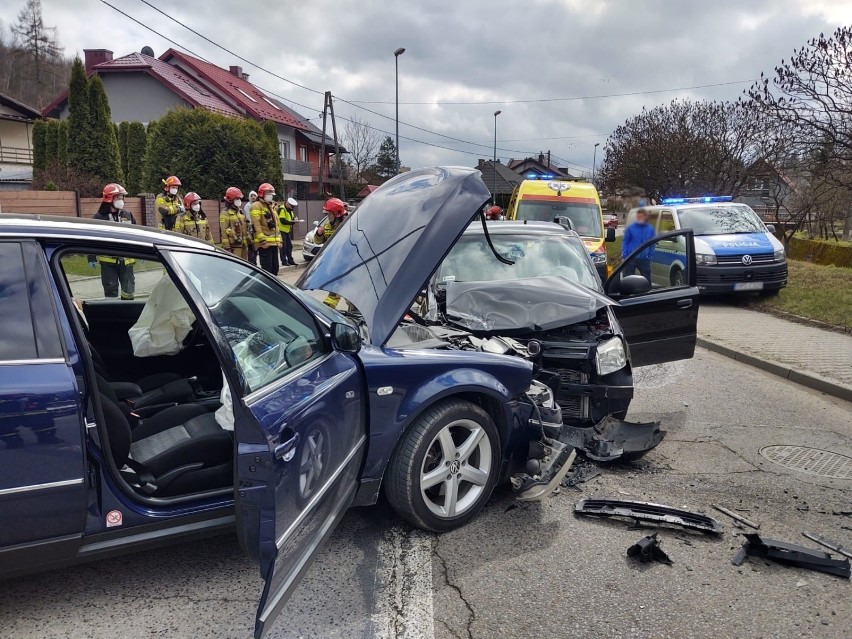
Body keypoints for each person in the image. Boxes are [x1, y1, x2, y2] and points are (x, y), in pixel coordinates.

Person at [89, 183, 137, 300]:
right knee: (111, 291)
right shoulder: (98, 218)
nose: (121, 200)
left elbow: (136, 235)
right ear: (109, 199)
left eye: (122, 197)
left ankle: (128, 313)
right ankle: (113, 315)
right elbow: (92, 240)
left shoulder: (128, 215)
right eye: (118, 197)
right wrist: (91, 257)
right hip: (108, 263)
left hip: (126, 262)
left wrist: (141, 252)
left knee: (129, 291)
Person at [313, 197, 347, 307]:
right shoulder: (327, 225)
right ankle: (327, 311)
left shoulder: (347, 224)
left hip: (346, 264)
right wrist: (319, 234)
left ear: (336, 214)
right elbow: (318, 241)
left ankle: (355, 314)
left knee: (350, 294)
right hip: (335, 264)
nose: (327, 216)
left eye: (329, 214)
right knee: (334, 291)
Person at [250, 182, 282, 275]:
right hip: (264, 244)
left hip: (274, 243)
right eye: (268, 194)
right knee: (267, 270)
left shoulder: (271, 206)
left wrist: (280, 240)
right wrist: (262, 241)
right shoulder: (257, 205)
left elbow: (277, 225)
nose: (271, 196)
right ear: (262, 194)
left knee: (275, 269)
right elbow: (256, 225)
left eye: (271, 194)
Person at [621, 208, 656, 281]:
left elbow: (652, 243)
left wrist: (650, 256)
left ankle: (647, 292)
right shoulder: (631, 228)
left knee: (647, 280)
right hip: (631, 258)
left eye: (641, 216)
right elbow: (625, 242)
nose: (639, 218)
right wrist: (625, 255)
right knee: (628, 280)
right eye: (638, 217)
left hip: (644, 259)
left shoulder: (650, 229)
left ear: (645, 217)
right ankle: (628, 292)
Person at [220, 187, 248, 259]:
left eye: (239, 199)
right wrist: (227, 247)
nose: (239, 200)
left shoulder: (240, 211)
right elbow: (224, 231)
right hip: (234, 246)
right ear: (231, 200)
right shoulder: (225, 213)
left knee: (245, 266)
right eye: (237, 199)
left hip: (243, 245)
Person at [278, 197, 299, 266]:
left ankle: (290, 260)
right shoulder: (282, 209)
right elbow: (282, 220)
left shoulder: (290, 210)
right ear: (287, 204)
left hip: (287, 231)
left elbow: (291, 218)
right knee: (283, 247)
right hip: (282, 231)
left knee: (289, 246)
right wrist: (291, 222)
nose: (292, 208)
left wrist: (295, 220)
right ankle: (284, 261)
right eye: (291, 206)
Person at [243, 190, 258, 265]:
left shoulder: (257, 205)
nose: (253, 197)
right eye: (251, 196)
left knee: (256, 247)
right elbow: (248, 218)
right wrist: (251, 228)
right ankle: (251, 263)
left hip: (256, 229)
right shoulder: (248, 206)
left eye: (254, 196)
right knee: (251, 247)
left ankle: (254, 262)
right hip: (251, 229)